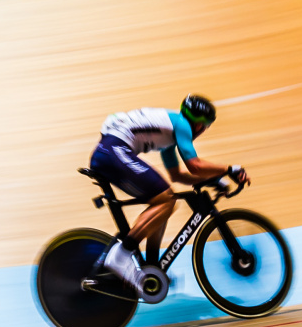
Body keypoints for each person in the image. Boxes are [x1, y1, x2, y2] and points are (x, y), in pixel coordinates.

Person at [88, 95, 244, 287]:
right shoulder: (182, 125)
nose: (203, 130)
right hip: (114, 151)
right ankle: (121, 255)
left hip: (109, 152)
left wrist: (213, 180)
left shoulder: (169, 135)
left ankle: (152, 266)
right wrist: (230, 169)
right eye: (205, 126)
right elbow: (195, 166)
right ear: (198, 125)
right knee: (166, 200)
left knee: (165, 199)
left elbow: (178, 176)